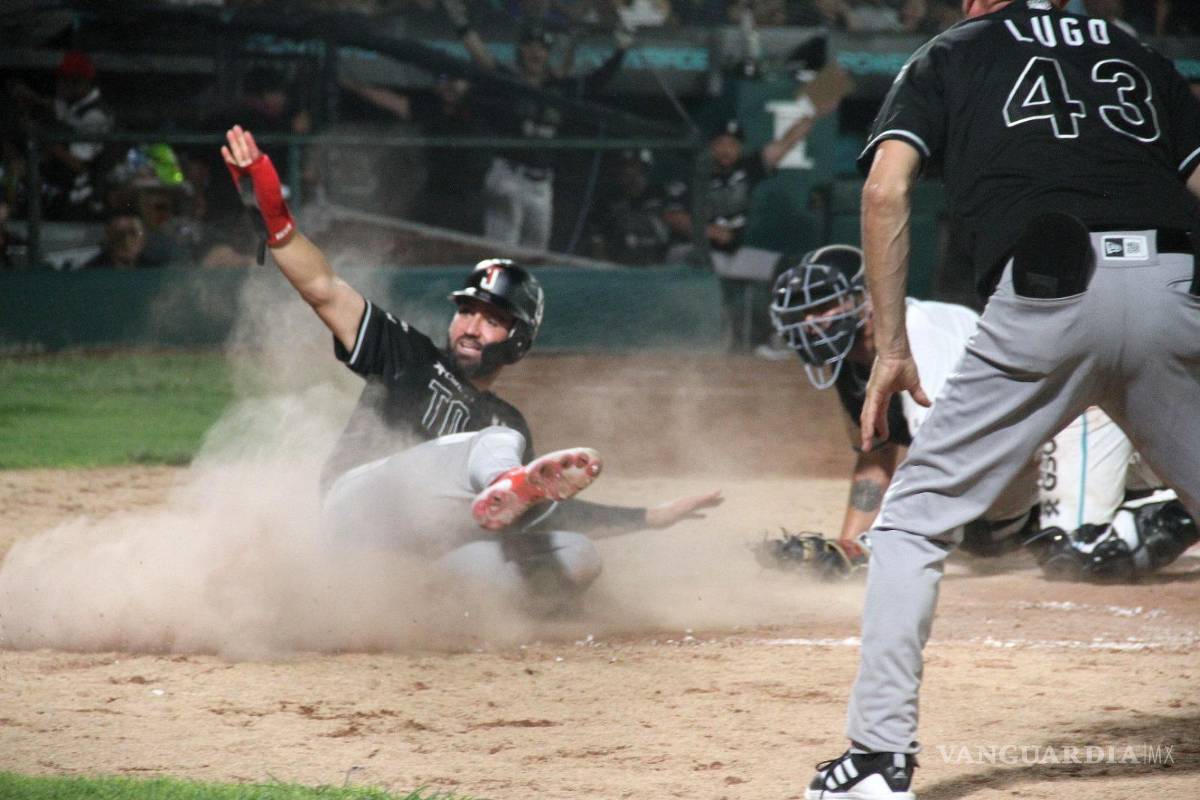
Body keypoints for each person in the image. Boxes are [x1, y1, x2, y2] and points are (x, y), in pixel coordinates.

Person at [802, 1, 1200, 797]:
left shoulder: (956, 50)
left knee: (914, 521)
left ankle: (878, 762)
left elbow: (885, 192)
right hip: (1174, 285)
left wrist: (890, 346)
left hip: (1049, 296)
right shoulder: (1136, 48)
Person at [220, 124, 722, 612]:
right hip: (357, 513)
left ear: (519, 340)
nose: (471, 326)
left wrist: (650, 517)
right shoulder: (406, 354)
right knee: (497, 442)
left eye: (493, 320)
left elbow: (553, 507)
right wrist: (277, 215)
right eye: (467, 310)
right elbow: (324, 288)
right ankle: (503, 493)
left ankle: (432, 613)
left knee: (578, 556)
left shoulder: (508, 422)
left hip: (412, 560)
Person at [769, 244, 1196, 579]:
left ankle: (1179, 508)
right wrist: (849, 544)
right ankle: (1123, 503)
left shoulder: (920, 332)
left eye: (825, 306)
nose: (813, 322)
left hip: (1077, 417)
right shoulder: (850, 363)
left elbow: (940, 459)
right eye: (805, 313)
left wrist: (871, 548)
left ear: (866, 296)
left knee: (1076, 553)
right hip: (1024, 442)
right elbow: (875, 457)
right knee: (982, 539)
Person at [444, 0, 632, 250]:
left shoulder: (559, 90)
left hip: (541, 183)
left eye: (541, 48)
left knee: (536, 254)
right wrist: (461, 24)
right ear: (521, 51)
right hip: (508, 175)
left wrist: (620, 52)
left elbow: (596, 82)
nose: (535, 53)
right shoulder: (509, 83)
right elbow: (484, 60)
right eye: (530, 47)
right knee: (501, 252)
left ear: (547, 54)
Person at [662, 116, 824, 351]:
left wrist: (816, 109)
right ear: (710, 146)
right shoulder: (694, 171)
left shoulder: (748, 168)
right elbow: (671, 216)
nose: (727, 149)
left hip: (733, 255)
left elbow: (786, 143)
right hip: (696, 252)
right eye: (721, 143)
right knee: (699, 266)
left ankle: (775, 336)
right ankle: (699, 337)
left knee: (783, 268)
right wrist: (708, 231)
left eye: (733, 144)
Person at [8, 51, 114, 221]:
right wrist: (29, 97)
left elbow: (79, 164)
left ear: (80, 82)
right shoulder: (74, 105)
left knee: (19, 165)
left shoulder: (95, 116)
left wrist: (40, 136)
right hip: (60, 181)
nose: (59, 85)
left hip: (77, 194)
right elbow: (56, 108)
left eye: (63, 80)